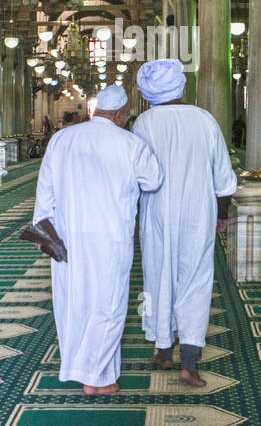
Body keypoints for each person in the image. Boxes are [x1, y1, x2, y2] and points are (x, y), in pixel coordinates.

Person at [32, 83, 163, 395]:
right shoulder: (130, 144)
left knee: (72, 302)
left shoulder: (62, 139)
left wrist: (41, 230)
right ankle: (98, 379)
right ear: (120, 115)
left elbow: (45, 189)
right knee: (108, 305)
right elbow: (154, 180)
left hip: (65, 236)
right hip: (110, 238)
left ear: (95, 110)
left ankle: (76, 367)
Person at [131, 59, 238, 387]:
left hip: (156, 214)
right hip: (198, 216)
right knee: (195, 281)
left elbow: (137, 176)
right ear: (180, 86)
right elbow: (224, 178)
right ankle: (187, 363)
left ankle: (164, 349)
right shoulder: (205, 120)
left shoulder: (144, 123)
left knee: (159, 277)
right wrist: (221, 215)